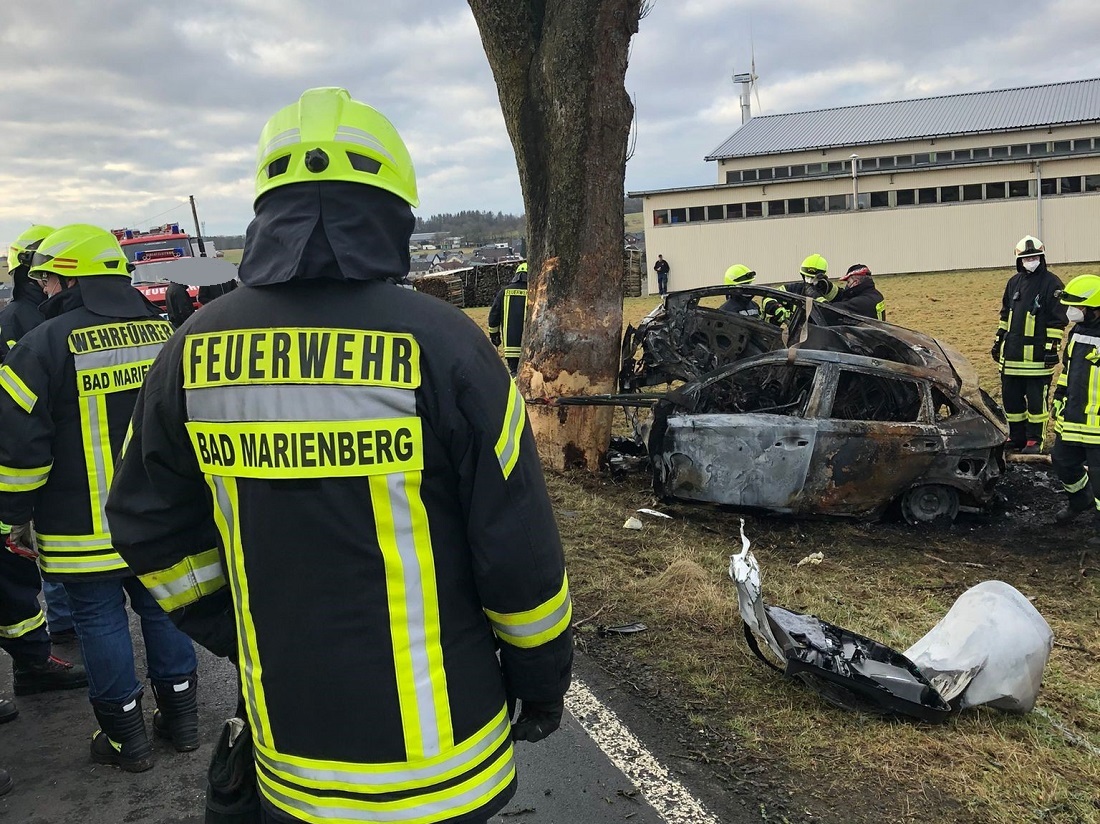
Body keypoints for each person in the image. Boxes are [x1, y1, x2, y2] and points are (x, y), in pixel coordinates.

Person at [106, 87, 573, 824]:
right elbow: (517, 553)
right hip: (446, 765)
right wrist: (542, 677)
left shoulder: (190, 352)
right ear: (392, 215)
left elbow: (144, 524)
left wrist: (237, 627)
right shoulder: (445, 346)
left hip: (293, 757)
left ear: (269, 212)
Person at [0, 224, 199, 773]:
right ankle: (182, 721)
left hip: (80, 525)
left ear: (70, 277)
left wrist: (9, 520)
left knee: (99, 620)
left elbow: (20, 451)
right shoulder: (165, 333)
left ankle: (125, 740)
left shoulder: (43, 344)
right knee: (164, 610)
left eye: (46, 276)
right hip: (159, 519)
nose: (39, 286)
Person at [1, 225, 77, 643]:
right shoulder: (17, 318)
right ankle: (61, 623)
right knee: (38, 542)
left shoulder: (48, 315)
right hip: (31, 448)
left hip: (56, 444)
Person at [992, 236, 1066, 453]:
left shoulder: (1052, 284)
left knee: (1036, 403)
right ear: (1019, 260)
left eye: (1034, 257)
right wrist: (998, 340)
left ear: (1041, 258)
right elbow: (1006, 314)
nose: (1030, 260)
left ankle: (1035, 440)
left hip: (1036, 359)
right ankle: (1016, 437)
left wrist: (1052, 348)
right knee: (1012, 401)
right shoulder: (1013, 282)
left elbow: (1057, 320)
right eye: (1026, 258)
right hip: (1011, 357)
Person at [1049, 274, 1100, 523]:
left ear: (1095, 309)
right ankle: (1081, 499)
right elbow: (1067, 371)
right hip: (1073, 417)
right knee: (1062, 461)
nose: (1072, 312)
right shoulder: (1077, 332)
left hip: (1098, 423)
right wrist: (1059, 396)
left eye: (1078, 307)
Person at [761, 253, 838, 323]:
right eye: (807, 277)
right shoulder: (794, 288)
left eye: (814, 278)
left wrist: (817, 296)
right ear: (802, 276)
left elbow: (839, 309)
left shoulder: (830, 291)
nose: (810, 281)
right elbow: (768, 297)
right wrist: (776, 308)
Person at [488, 260, 528, 375]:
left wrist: (494, 336)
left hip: (511, 348)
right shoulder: (535, 291)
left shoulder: (504, 292)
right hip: (532, 346)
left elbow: (493, 316)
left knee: (515, 372)